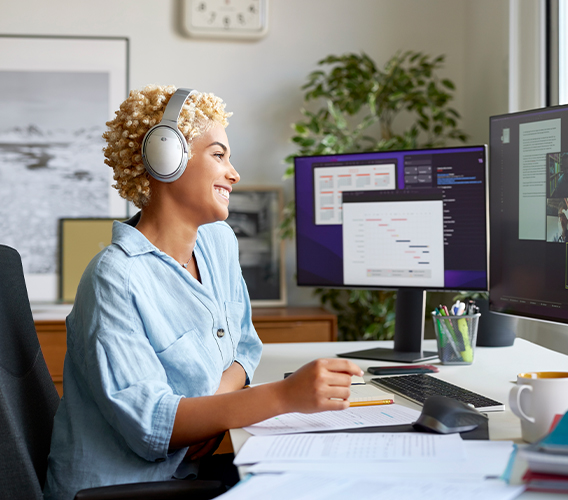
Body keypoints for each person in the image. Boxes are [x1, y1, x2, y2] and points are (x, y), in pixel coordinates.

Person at [44, 85, 363, 500]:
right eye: (219, 155)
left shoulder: (218, 242)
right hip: (121, 490)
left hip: (186, 474)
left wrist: (206, 414)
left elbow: (245, 346)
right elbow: (150, 427)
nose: (234, 173)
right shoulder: (115, 279)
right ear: (166, 158)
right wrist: (285, 396)